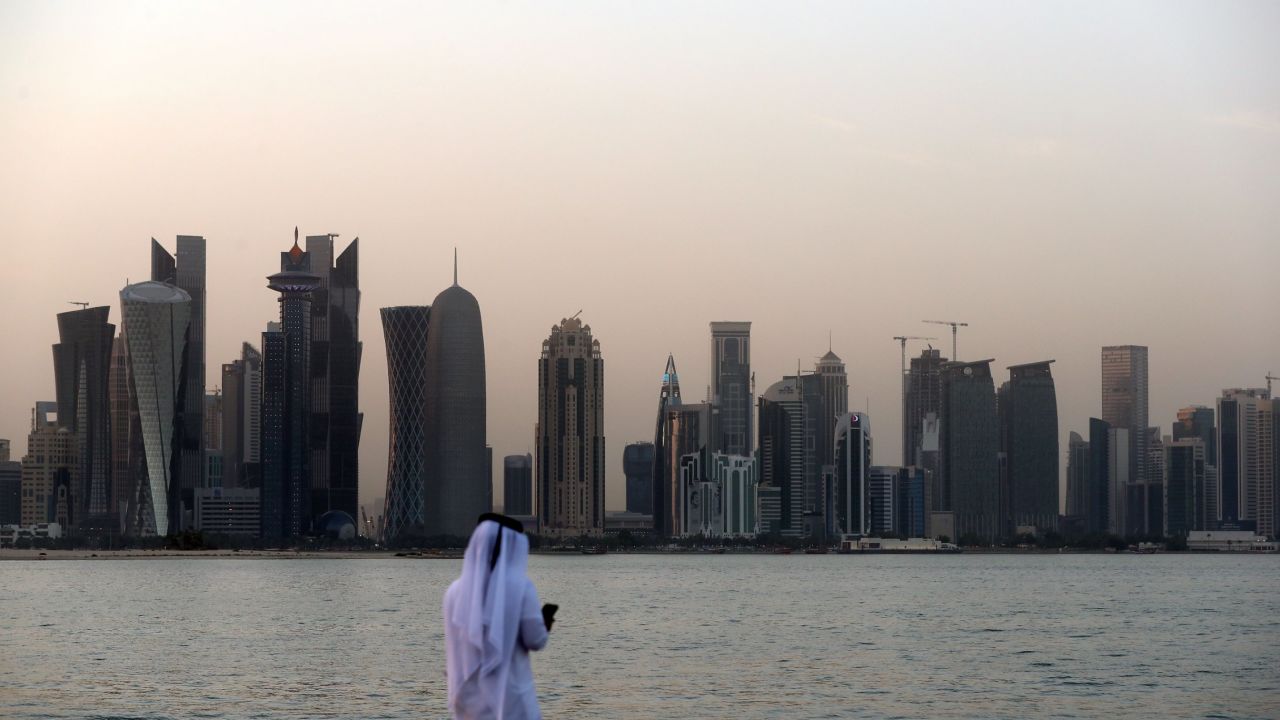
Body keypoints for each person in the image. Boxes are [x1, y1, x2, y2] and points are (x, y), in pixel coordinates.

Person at [443, 513, 554, 720]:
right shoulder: (521, 588)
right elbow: (536, 640)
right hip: (513, 705)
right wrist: (544, 623)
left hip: (468, 706)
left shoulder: (454, 592)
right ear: (514, 546)